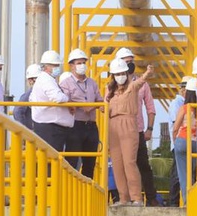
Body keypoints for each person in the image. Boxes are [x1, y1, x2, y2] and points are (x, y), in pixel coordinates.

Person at [105, 58, 154, 206]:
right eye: (117, 74)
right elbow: (104, 108)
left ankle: (136, 198)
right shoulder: (110, 92)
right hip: (113, 126)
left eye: (122, 73)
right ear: (113, 76)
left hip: (129, 125)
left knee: (129, 162)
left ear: (127, 73)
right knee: (117, 163)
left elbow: (141, 82)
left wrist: (147, 72)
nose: (120, 76)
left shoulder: (132, 87)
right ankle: (123, 198)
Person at [116, 47, 160, 207]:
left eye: (131, 61)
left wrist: (149, 129)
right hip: (119, 132)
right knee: (121, 164)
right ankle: (123, 197)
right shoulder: (112, 86)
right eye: (127, 62)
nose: (130, 65)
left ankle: (151, 197)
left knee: (143, 164)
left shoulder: (141, 84)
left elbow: (150, 108)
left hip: (138, 130)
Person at [60, 48, 103, 178]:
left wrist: (99, 106)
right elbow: (64, 102)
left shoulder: (92, 83)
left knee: (90, 163)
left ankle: (87, 194)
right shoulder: (65, 83)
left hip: (91, 126)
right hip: (75, 126)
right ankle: (69, 191)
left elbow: (99, 100)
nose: (82, 66)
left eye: (83, 62)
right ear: (71, 65)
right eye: (79, 63)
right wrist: (79, 105)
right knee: (72, 162)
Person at [30, 50, 73, 152]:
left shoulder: (47, 79)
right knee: (50, 163)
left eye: (58, 65)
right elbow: (57, 97)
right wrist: (68, 100)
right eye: (54, 65)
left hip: (50, 128)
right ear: (46, 67)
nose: (57, 68)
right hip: (50, 129)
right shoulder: (46, 80)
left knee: (50, 163)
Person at [172, 77, 197, 206]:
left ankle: (188, 202)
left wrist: (174, 140)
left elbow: (176, 127)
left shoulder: (184, 108)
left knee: (183, 175)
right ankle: (196, 199)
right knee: (194, 173)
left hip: (182, 140)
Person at [167, 76, 191, 206]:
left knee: (182, 174)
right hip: (179, 140)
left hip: (183, 140)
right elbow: (177, 123)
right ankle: (173, 202)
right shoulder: (177, 104)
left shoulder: (183, 104)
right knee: (177, 174)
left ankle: (176, 201)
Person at [14, 64, 41, 130]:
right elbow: (17, 111)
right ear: (30, 80)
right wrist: (24, 130)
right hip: (34, 132)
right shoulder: (29, 95)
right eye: (37, 79)